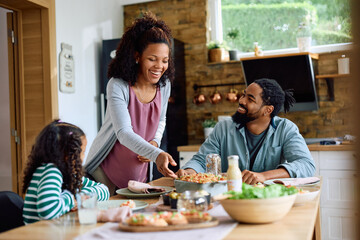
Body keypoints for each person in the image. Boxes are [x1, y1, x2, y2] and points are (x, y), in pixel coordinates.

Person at [84, 12, 177, 195]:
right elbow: (124, 133)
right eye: (152, 59)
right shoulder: (117, 85)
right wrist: (155, 154)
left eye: (164, 60)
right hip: (104, 173)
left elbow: (161, 120)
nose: (159, 66)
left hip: (138, 175)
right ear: (137, 56)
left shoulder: (164, 86)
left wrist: (155, 143)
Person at [176, 78, 316, 184]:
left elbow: (306, 165)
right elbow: (202, 160)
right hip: (229, 197)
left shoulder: (285, 129)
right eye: (244, 95)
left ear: (268, 110)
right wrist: (190, 171)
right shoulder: (223, 128)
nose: (241, 101)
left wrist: (264, 176)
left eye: (250, 99)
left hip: (268, 198)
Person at [22, 120, 110, 224]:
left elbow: (104, 190)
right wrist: (72, 199)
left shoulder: (70, 174)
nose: (83, 157)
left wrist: (81, 196)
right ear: (68, 154)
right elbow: (48, 211)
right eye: (82, 152)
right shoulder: (51, 171)